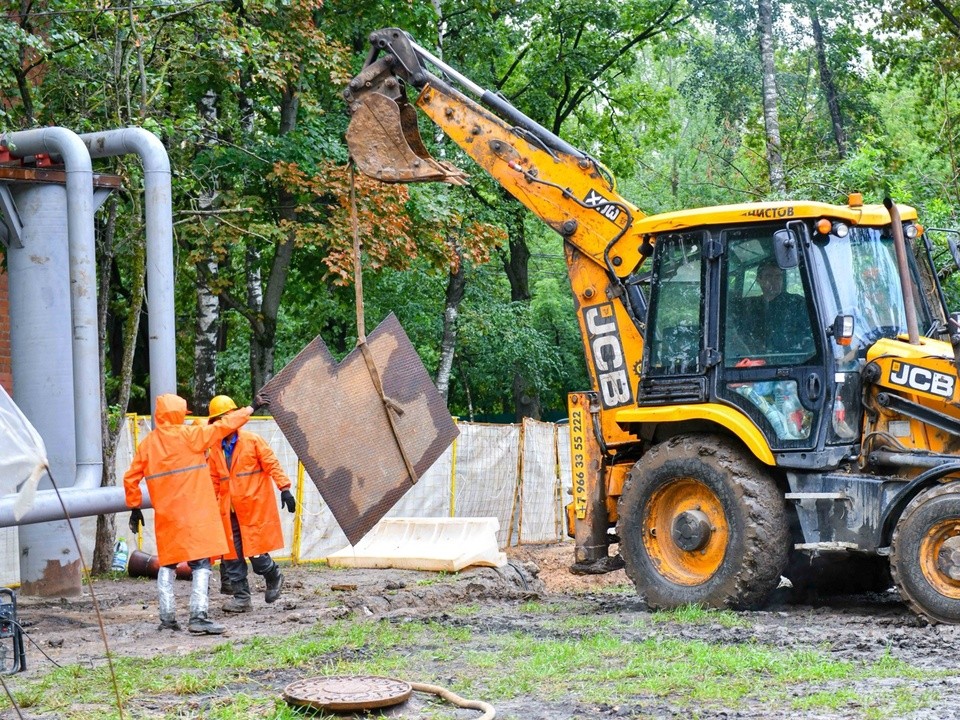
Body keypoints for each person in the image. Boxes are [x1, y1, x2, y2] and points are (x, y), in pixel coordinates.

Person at [125, 393, 253, 634]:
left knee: (168, 563)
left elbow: (130, 477)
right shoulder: (190, 436)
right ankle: (198, 616)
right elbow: (225, 425)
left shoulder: (148, 444)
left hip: (167, 516)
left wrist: (134, 507)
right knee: (201, 563)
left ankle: (167, 618)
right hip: (194, 514)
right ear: (177, 414)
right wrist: (250, 408)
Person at [207, 395, 295, 613]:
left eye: (223, 420)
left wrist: (284, 488)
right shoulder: (215, 449)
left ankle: (273, 575)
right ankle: (241, 598)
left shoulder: (252, 441)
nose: (220, 425)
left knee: (256, 553)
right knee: (232, 555)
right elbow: (213, 481)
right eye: (216, 422)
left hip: (253, 508)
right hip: (229, 511)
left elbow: (272, 464)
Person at [743, 258, 812, 355]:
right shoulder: (750, 305)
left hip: (792, 357)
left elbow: (809, 335)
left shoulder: (797, 303)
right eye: (769, 276)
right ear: (759, 280)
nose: (774, 281)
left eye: (778, 276)